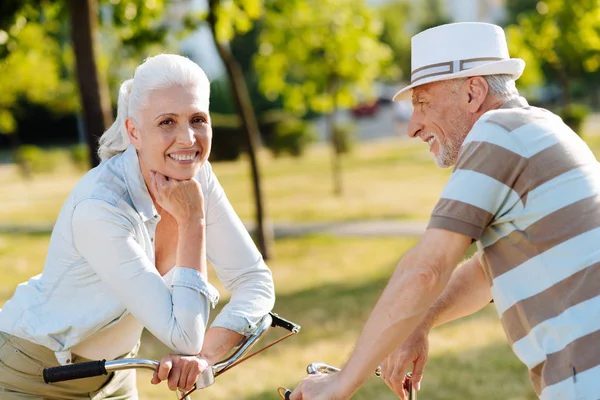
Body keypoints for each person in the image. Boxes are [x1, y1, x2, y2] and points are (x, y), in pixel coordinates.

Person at [290, 22, 600, 400]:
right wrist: (419, 322)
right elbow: (485, 273)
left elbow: (426, 269)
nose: (413, 126)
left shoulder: (497, 132)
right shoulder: (538, 127)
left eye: (423, 102)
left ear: (473, 92)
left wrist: (340, 384)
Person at [0, 54, 275, 399]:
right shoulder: (100, 207)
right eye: (167, 122)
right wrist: (193, 221)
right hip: (30, 374)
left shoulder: (197, 177)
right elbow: (183, 335)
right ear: (134, 131)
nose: (188, 139)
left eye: (198, 119)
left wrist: (204, 357)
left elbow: (254, 280)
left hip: (114, 375)